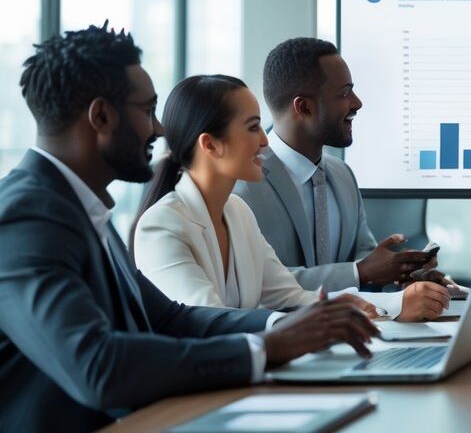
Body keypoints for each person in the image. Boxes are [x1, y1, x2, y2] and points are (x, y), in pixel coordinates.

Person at [0, 25, 377, 432]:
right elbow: (98, 366)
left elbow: (172, 319)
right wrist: (264, 348)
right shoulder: (26, 217)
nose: (159, 129)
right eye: (147, 111)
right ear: (102, 116)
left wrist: (284, 327)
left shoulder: (81, 208)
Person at [132, 74, 450, 322]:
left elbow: (294, 297)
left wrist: (393, 306)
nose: (265, 139)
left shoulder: (237, 212)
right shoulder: (162, 226)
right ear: (211, 145)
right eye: (253, 128)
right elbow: (212, 322)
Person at [235, 38, 436, 292]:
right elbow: (259, 283)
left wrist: (403, 271)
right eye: (344, 93)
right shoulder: (243, 184)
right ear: (304, 107)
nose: (357, 103)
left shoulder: (343, 175)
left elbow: (365, 260)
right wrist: (359, 272)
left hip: (359, 329)